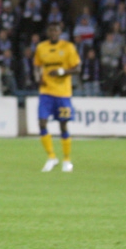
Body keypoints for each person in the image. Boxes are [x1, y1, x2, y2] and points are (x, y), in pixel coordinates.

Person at [34, 21, 81, 172]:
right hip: (45, 92)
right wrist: (37, 77)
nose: (53, 33)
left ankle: (67, 159)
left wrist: (61, 72)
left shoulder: (68, 47)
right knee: (42, 123)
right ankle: (51, 157)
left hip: (63, 93)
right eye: (51, 30)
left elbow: (77, 68)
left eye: (56, 30)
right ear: (48, 32)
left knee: (63, 125)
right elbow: (37, 65)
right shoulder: (41, 47)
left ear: (60, 32)